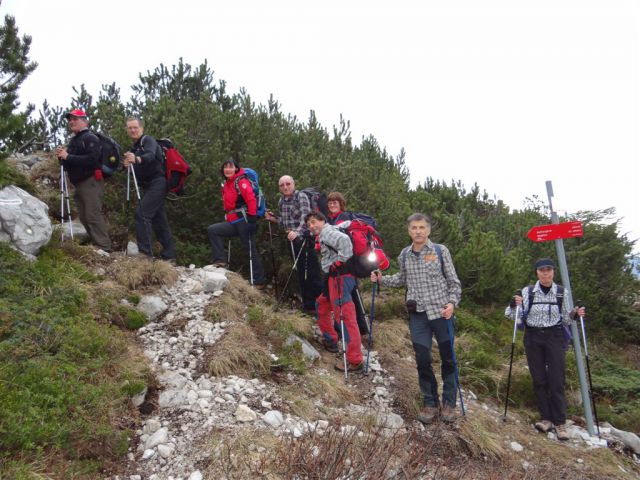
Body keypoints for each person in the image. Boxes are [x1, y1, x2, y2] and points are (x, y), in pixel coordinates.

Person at [371, 213, 462, 424]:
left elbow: (454, 282)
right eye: (414, 228)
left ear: (428, 230)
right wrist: (381, 279)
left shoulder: (440, 251)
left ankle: (449, 403)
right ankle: (430, 403)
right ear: (409, 231)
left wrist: (452, 304)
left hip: (441, 313)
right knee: (422, 359)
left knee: (448, 359)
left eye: (422, 227)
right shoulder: (405, 255)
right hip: (418, 315)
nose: (418, 231)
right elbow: (401, 279)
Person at [505, 258, 585, 441]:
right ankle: (546, 418)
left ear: (553, 272)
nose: (545, 273)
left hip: (554, 336)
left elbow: (566, 319)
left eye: (548, 270)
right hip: (533, 337)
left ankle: (560, 422)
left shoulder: (562, 293)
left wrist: (575, 314)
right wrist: (512, 304)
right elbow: (511, 315)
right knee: (539, 378)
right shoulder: (528, 292)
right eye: (542, 270)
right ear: (537, 272)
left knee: (557, 379)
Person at [305, 211, 363, 371]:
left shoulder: (327, 232)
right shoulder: (330, 230)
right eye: (309, 224)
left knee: (344, 317)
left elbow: (344, 241)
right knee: (322, 304)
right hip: (334, 278)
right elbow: (344, 229)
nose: (311, 226)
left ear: (322, 221)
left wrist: (338, 263)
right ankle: (331, 339)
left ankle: (354, 360)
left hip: (340, 278)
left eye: (314, 222)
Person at [55, 109, 111, 252]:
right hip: (79, 183)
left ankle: (104, 247)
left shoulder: (90, 138)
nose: (71, 122)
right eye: (70, 119)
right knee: (84, 216)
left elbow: (93, 159)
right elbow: (69, 164)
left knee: (92, 214)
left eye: (75, 119)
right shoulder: (75, 140)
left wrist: (68, 157)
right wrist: (61, 157)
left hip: (91, 181)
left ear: (85, 121)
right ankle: (97, 244)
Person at [265, 175, 322, 310]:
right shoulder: (281, 201)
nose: (285, 187)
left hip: (306, 240)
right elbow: (284, 223)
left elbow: (307, 219)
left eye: (288, 184)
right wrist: (274, 219)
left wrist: (297, 232)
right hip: (292, 241)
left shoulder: (300, 197)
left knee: (312, 273)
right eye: (282, 185)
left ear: (293, 184)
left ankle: (321, 305)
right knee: (301, 272)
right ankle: (309, 306)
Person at [207, 158, 266, 288]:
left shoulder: (242, 181)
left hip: (244, 221)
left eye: (231, 167)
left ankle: (258, 281)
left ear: (236, 169)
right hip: (233, 222)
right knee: (213, 230)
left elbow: (251, 200)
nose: (228, 169)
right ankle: (220, 260)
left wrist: (252, 219)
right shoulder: (227, 183)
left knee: (250, 250)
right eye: (225, 167)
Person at [123, 117, 176, 261]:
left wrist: (137, 159)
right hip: (149, 185)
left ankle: (145, 253)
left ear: (141, 128)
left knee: (142, 214)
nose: (133, 130)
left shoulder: (148, 140)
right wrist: (126, 165)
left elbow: (151, 156)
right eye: (130, 128)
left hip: (158, 183)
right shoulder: (134, 148)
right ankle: (169, 255)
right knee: (159, 220)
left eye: (135, 127)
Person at [326, 191, 371, 334]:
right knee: (350, 294)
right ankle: (360, 327)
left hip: (346, 263)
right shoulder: (331, 219)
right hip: (342, 262)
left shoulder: (343, 218)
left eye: (335, 202)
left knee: (347, 294)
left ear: (341, 204)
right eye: (330, 202)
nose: (332, 204)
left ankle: (352, 328)